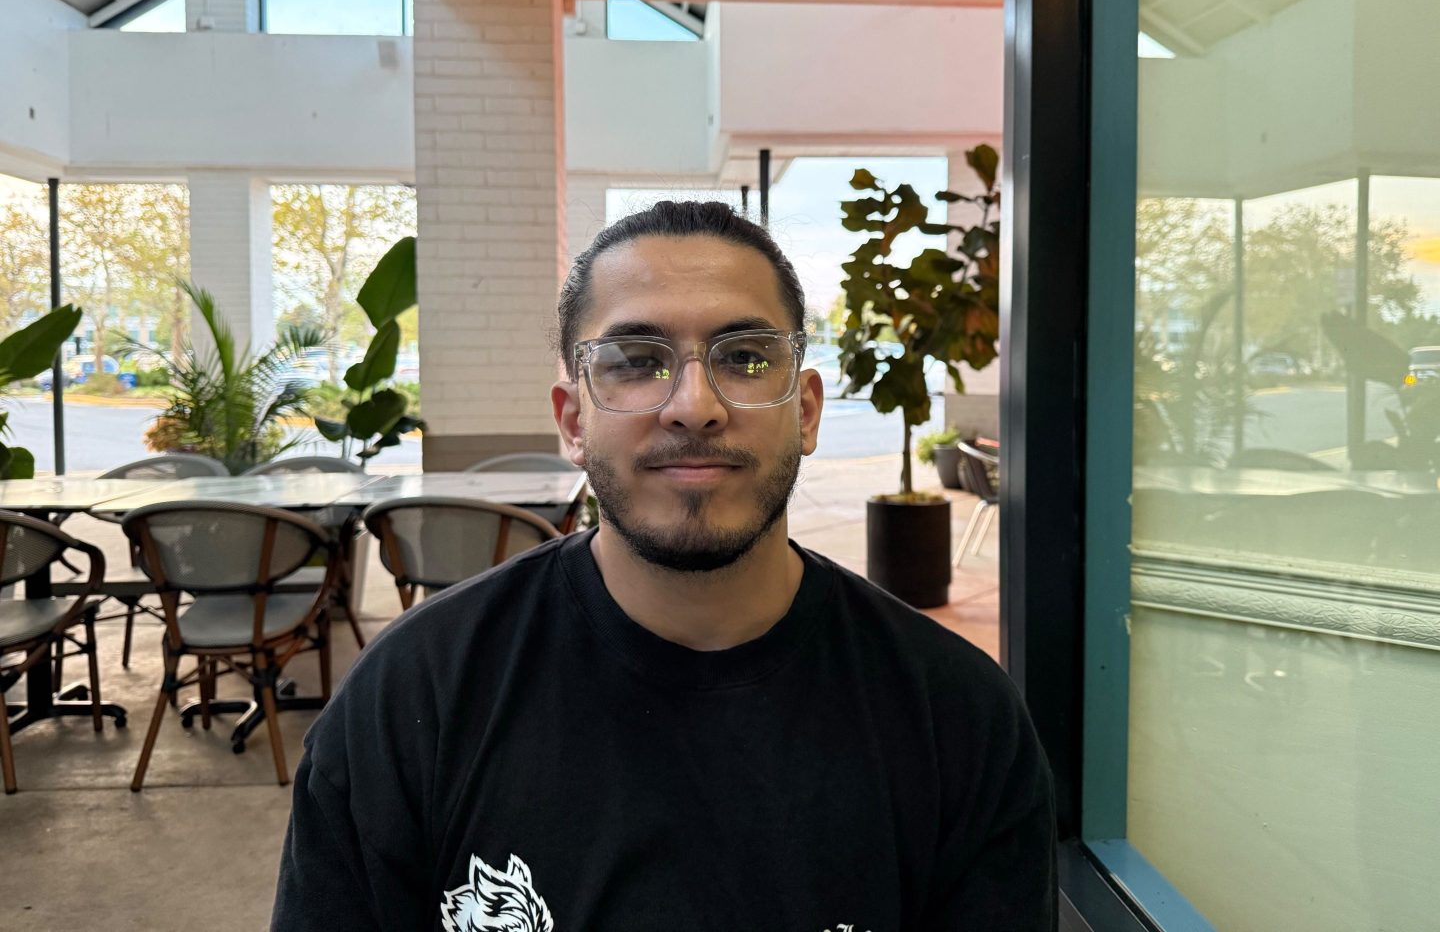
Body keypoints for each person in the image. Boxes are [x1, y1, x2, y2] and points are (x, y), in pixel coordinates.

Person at [272, 201, 1056, 931]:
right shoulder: (414, 700)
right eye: (636, 360)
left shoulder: (956, 717)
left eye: (744, 357)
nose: (693, 405)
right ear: (572, 421)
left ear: (807, 410)